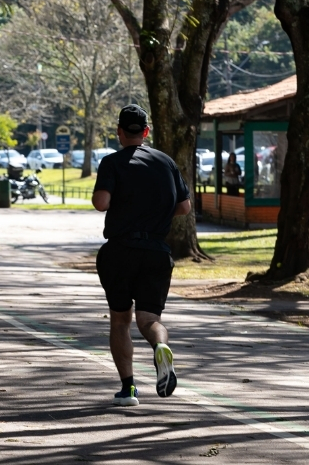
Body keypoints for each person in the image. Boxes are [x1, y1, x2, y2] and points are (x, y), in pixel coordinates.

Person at [91, 105, 191, 407]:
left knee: (121, 319)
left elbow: (101, 203)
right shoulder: (166, 162)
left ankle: (129, 389)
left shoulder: (112, 163)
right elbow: (184, 207)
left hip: (120, 251)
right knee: (149, 318)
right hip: (157, 253)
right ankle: (160, 346)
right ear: (146, 132)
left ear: (120, 132)